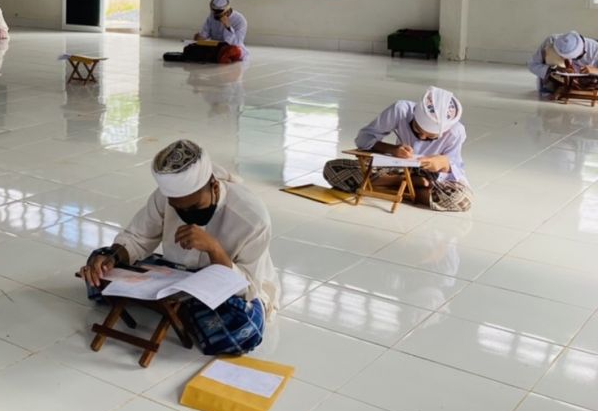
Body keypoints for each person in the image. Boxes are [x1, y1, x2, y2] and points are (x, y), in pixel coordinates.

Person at [80, 139, 278, 356]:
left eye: (194, 207)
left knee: (245, 327)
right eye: (178, 209)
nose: (187, 216)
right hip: (176, 273)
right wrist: (112, 256)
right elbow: (138, 237)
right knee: (98, 266)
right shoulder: (164, 198)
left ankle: (168, 306)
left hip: (228, 285)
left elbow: (248, 288)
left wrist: (214, 249)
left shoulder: (252, 218)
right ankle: (182, 309)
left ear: (214, 187)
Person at [322, 86, 472, 212]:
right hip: (398, 169)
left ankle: (382, 186)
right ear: (414, 115)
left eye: (430, 137)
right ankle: (404, 184)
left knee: (461, 199)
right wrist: (393, 149)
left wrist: (443, 164)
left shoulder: (455, 132)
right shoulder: (401, 110)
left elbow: (457, 172)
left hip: (432, 178)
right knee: (332, 169)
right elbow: (363, 139)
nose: (422, 138)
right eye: (417, 131)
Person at [528, 31, 598, 94]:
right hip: (551, 88)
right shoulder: (551, 41)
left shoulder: (596, 49)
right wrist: (552, 69)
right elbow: (532, 65)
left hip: (585, 91)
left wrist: (595, 70)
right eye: (562, 57)